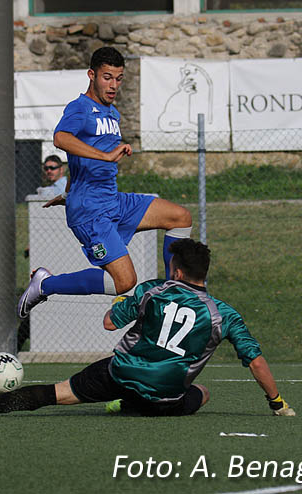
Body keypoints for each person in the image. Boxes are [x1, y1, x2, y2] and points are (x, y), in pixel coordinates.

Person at [0, 239, 295, 418]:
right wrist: (276, 401)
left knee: (55, 393)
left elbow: (108, 323)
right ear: (203, 274)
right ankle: (130, 406)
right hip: (165, 398)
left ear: (176, 272)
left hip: (118, 375)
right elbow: (256, 361)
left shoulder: (152, 290)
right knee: (203, 393)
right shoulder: (225, 314)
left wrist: (123, 304)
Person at [17, 47, 193, 319]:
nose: (113, 85)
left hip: (113, 201)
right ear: (92, 75)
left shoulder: (111, 112)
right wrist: (104, 155)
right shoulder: (80, 108)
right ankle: (44, 284)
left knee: (180, 217)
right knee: (124, 283)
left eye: (119, 78)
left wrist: (67, 192)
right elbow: (61, 139)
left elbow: (77, 160)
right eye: (107, 77)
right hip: (91, 211)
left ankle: (173, 291)